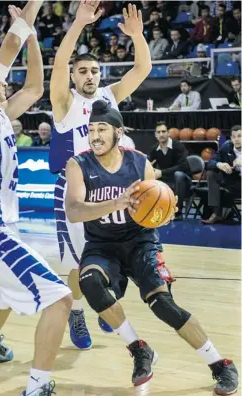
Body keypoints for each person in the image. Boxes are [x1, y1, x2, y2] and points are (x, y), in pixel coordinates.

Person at [65, 100, 239, 395]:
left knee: (163, 305)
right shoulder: (78, 164)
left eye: (102, 129)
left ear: (118, 132)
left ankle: (220, 363)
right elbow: (74, 210)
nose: (94, 135)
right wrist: (117, 202)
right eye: (91, 129)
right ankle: (139, 348)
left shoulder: (138, 162)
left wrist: (163, 211)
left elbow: (154, 206)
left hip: (140, 242)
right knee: (90, 281)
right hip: (102, 244)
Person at [0, 3, 72, 396]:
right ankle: (37, 387)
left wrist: (34, 34)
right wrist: (32, 9)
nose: (6, 85)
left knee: (2, 295)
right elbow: (7, 50)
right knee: (59, 298)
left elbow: (35, 87)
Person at [49, 0, 152, 350]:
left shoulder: (110, 96)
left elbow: (141, 69)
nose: (89, 75)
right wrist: (78, 23)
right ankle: (77, 310)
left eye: (94, 70)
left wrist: (137, 36)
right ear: (74, 76)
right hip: (78, 192)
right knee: (82, 265)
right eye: (83, 71)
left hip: (115, 190)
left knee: (114, 256)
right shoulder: (64, 101)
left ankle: (102, 303)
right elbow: (60, 61)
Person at [149, 121, 192, 220]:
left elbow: (183, 166)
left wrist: (162, 172)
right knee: (149, 176)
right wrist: (148, 167)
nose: (161, 134)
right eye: (158, 132)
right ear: (155, 135)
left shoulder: (178, 146)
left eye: (163, 131)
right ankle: (153, 210)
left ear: (168, 133)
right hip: (167, 179)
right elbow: (149, 165)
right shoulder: (154, 149)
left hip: (184, 180)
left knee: (178, 175)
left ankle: (177, 213)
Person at [202, 125, 241, 224]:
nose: (237, 139)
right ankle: (216, 213)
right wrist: (219, 164)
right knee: (211, 173)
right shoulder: (227, 146)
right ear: (231, 138)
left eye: (240, 136)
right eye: (234, 137)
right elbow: (211, 161)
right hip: (232, 180)